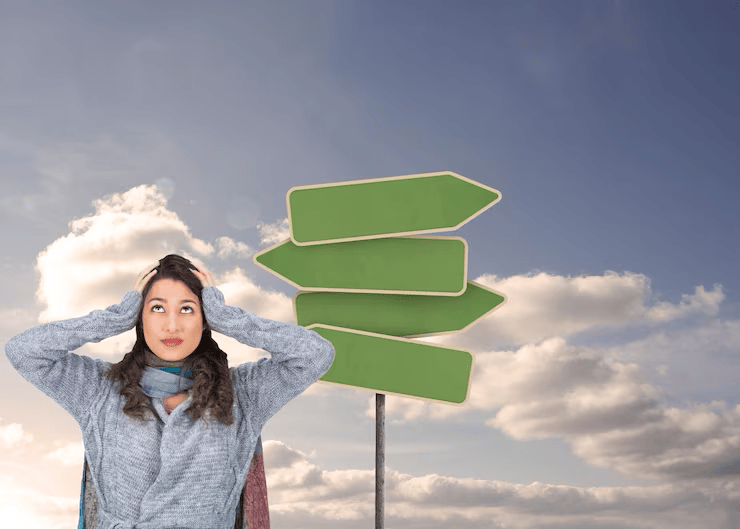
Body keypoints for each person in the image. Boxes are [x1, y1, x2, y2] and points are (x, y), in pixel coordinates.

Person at [5, 254, 336, 529]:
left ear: (205, 319)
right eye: (157, 308)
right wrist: (114, 317)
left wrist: (227, 316)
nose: (172, 325)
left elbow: (315, 356)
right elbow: (25, 351)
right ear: (140, 317)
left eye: (187, 309)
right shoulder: (99, 389)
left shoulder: (243, 393)